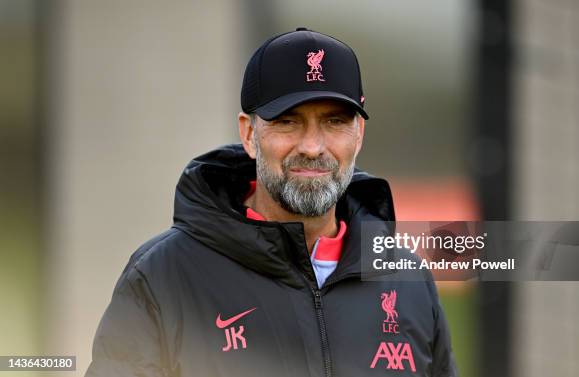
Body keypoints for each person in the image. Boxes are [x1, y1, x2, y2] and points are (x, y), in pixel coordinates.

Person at [85, 27, 457, 377]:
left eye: (334, 121)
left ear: (358, 135)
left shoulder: (410, 282)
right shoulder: (163, 276)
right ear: (249, 134)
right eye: (288, 122)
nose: (312, 147)